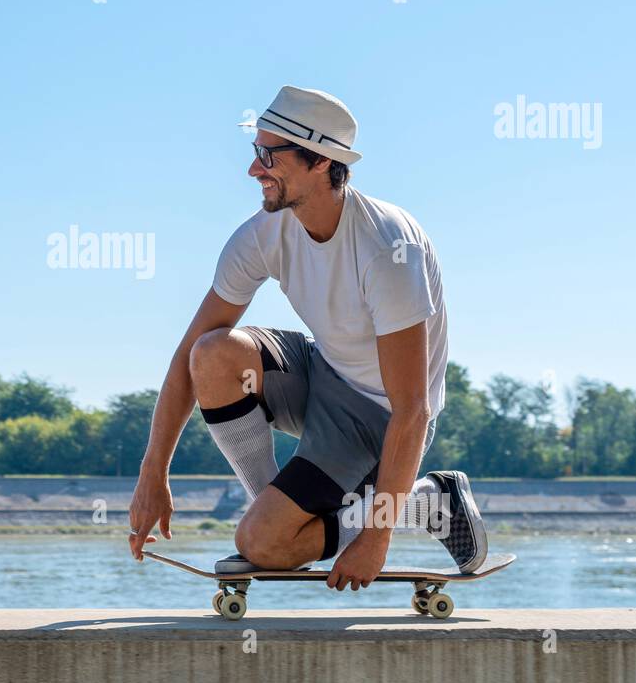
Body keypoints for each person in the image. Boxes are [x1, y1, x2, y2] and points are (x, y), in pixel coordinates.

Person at [126, 86, 487, 591]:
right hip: (320, 372)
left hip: (380, 420)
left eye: (269, 155)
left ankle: (424, 501)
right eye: (255, 152)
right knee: (212, 353)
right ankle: (267, 503)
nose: (254, 169)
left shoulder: (388, 248)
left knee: (264, 548)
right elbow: (188, 352)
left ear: (321, 162)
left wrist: (377, 537)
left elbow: (412, 410)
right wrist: (153, 471)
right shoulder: (262, 234)